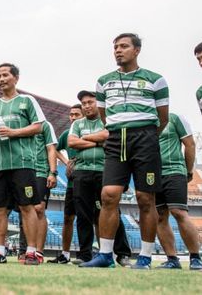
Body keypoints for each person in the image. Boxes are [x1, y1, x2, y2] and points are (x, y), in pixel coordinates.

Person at [81, 33, 168, 269]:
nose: (118, 51)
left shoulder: (156, 80)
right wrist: (121, 129)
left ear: (137, 50)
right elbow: (103, 115)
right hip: (116, 137)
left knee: (145, 198)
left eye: (123, 46)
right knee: (108, 195)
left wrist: (145, 134)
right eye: (115, 47)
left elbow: (163, 118)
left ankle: (145, 257)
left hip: (146, 138)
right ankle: (106, 255)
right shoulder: (103, 81)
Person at [0, 63, 45, 266]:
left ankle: (31, 252)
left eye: (5, 75)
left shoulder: (27, 101)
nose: (1, 79)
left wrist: (13, 132)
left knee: (27, 207)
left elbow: (38, 127)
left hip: (23, 163)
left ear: (16, 78)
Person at [69, 91, 131, 267]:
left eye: (90, 102)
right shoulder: (78, 123)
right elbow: (72, 142)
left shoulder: (108, 120)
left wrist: (86, 138)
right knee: (83, 215)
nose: (87, 106)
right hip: (81, 172)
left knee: (112, 211)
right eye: (84, 103)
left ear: (98, 103)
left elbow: (108, 136)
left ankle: (123, 254)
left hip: (106, 170)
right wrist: (98, 142)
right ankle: (84, 255)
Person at [155, 113, 200, 270]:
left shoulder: (175, 118)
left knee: (178, 212)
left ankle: (196, 258)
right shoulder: (143, 120)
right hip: (152, 174)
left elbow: (190, 144)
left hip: (174, 171)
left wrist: (188, 171)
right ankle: (172, 259)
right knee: (160, 216)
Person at [47, 104, 82, 264]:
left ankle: (92, 253)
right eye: (71, 114)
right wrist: (66, 161)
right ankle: (65, 254)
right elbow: (54, 149)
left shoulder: (90, 132)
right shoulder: (68, 134)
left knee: (90, 218)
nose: (73, 117)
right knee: (68, 218)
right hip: (71, 183)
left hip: (90, 179)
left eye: (76, 114)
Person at [30, 120, 57, 262]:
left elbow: (51, 148)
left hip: (41, 171)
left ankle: (39, 252)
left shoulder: (45, 125)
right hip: (24, 170)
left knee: (39, 209)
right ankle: (28, 250)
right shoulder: (20, 123)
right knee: (26, 209)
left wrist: (53, 172)